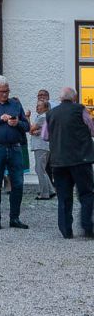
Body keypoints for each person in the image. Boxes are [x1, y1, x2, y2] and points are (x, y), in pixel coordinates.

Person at [41, 87, 94, 239]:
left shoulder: (51, 114)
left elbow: (45, 136)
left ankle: (66, 230)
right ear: (74, 98)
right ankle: (87, 227)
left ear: (60, 99)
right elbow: (91, 128)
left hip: (58, 160)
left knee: (64, 196)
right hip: (80, 159)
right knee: (86, 193)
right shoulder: (80, 110)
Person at [0, 76, 30, 230]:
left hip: (15, 148)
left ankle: (14, 218)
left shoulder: (15, 104)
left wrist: (18, 123)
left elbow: (27, 126)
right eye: (2, 91)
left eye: (7, 91)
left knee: (18, 183)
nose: (5, 94)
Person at [29, 94, 55, 200]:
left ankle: (44, 193)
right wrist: (35, 131)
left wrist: (27, 117)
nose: (37, 107)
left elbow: (30, 129)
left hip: (41, 146)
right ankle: (50, 190)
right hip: (44, 146)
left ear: (45, 107)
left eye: (39, 106)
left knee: (40, 169)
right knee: (40, 169)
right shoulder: (45, 116)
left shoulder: (42, 117)